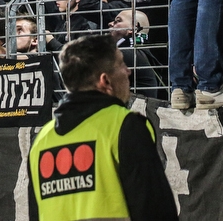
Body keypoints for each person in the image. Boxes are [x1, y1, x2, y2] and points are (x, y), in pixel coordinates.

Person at [28, 34, 177, 221]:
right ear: (105, 81)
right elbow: (155, 209)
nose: (128, 71)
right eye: (121, 65)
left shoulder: (41, 140)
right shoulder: (125, 126)